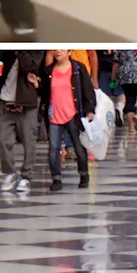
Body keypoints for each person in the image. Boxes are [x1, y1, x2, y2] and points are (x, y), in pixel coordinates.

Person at [41, 50, 96, 192]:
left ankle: (84, 174)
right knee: (54, 149)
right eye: (56, 48)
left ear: (69, 51)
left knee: (79, 147)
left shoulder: (78, 69)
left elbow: (87, 90)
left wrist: (90, 110)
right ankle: (56, 178)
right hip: (54, 116)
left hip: (73, 115)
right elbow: (45, 92)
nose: (58, 51)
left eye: (62, 48)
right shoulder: (48, 71)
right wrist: (37, 85)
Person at [0, 51, 43, 194]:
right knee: (2, 140)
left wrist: (20, 49)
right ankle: (10, 172)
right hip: (7, 103)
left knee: (29, 143)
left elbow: (30, 67)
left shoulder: (37, 50)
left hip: (26, 104)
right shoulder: (9, 50)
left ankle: (26, 176)